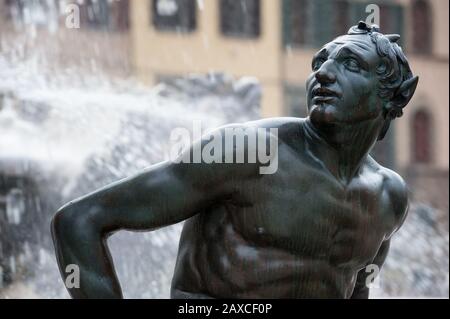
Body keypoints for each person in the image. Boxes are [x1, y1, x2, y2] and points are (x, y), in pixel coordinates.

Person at [51, 22, 419, 299]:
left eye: (350, 64)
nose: (322, 73)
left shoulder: (389, 197)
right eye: (320, 62)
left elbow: (357, 287)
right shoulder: (246, 152)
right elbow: (78, 221)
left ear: (392, 98)